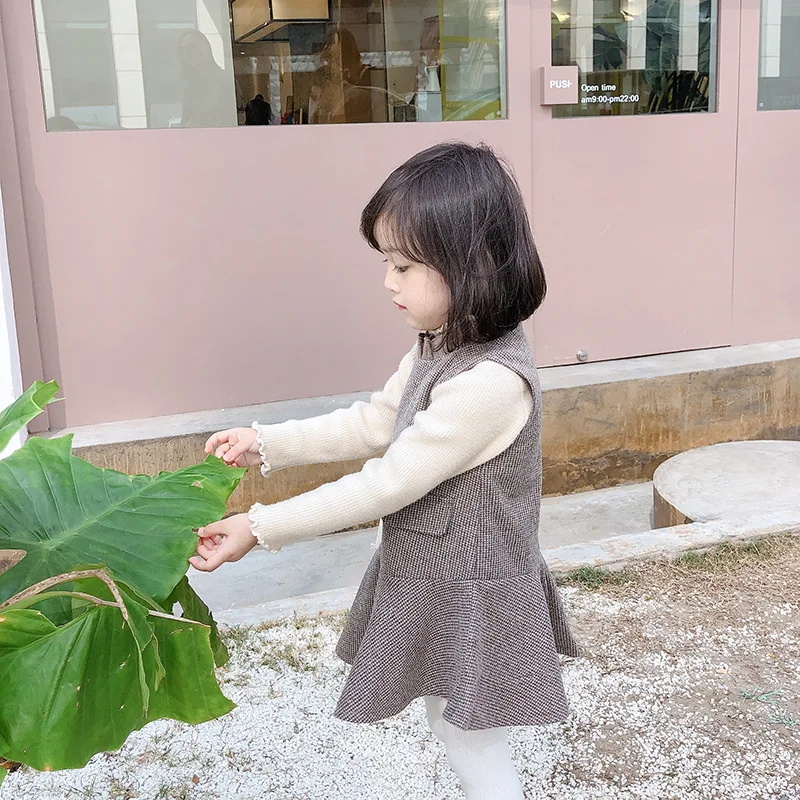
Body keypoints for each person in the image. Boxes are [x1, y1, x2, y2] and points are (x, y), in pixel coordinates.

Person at [191, 142, 580, 799]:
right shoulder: (443, 342)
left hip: (472, 590)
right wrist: (267, 443)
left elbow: (388, 481)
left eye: (404, 265)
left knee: (471, 737)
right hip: (437, 576)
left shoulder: (490, 382)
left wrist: (260, 526)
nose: (388, 282)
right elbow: (376, 421)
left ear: (472, 265)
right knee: (449, 719)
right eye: (386, 263)